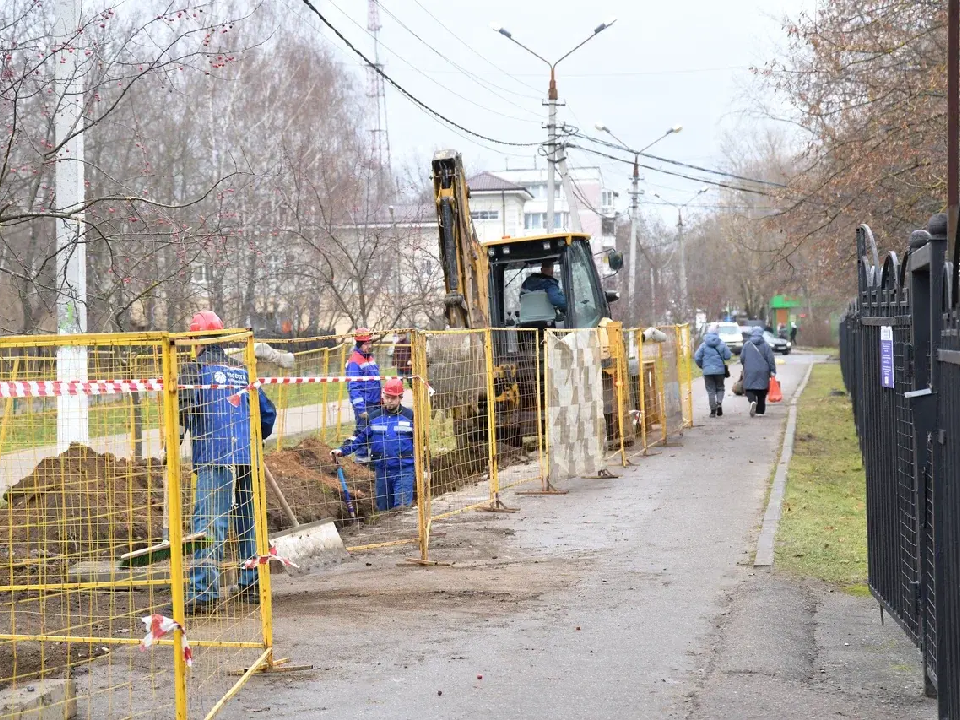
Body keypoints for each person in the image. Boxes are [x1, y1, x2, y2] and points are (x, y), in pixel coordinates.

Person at [180, 310, 277, 615]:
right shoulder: (242, 370)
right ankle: (250, 583)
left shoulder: (193, 370)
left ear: (196, 339)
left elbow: (184, 408)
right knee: (248, 522)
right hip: (247, 457)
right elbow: (267, 413)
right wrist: (255, 438)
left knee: (209, 524)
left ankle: (204, 592)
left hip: (214, 455)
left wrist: (175, 439)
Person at [332, 378, 414, 511]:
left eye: (393, 398)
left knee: (402, 509)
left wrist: (423, 468)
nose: (389, 401)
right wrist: (342, 450)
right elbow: (360, 438)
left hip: (403, 470)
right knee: (384, 509)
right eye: (387, 397)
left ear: (400, 397)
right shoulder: (374, 417)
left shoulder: (409, 416)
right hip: (381, 470)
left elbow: (420, 442)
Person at [346, 328, 381, 462]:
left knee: (374, 433)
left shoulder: (369, 358)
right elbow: (354, 387)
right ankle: (361, 462)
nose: (369, 346)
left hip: (375, 403)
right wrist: (361, 408)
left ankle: (372, 461)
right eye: (367, 343)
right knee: (362, 433)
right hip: (365, 405)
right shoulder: (355, 361)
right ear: (360, 343)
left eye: (369, 343)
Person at [694, 324, 733, 417]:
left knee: (711, 390)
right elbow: (728, 356)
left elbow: (697, 357)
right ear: (717, 333)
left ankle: (712, 411)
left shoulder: (703, 345)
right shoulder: (722, 344)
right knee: (720, 388)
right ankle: (719, 403)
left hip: (707, 371)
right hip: (720, 371)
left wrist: (701, 365)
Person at [740, 326, 777, 417]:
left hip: (750, 370)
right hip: (763, 371)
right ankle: (760, 411)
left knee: (749, 388)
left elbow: (742, 358)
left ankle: (752, 401)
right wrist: (773, 371)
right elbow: (771, 359)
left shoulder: (747, 345)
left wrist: (746, 365)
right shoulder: (766, 345)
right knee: (762, 391)